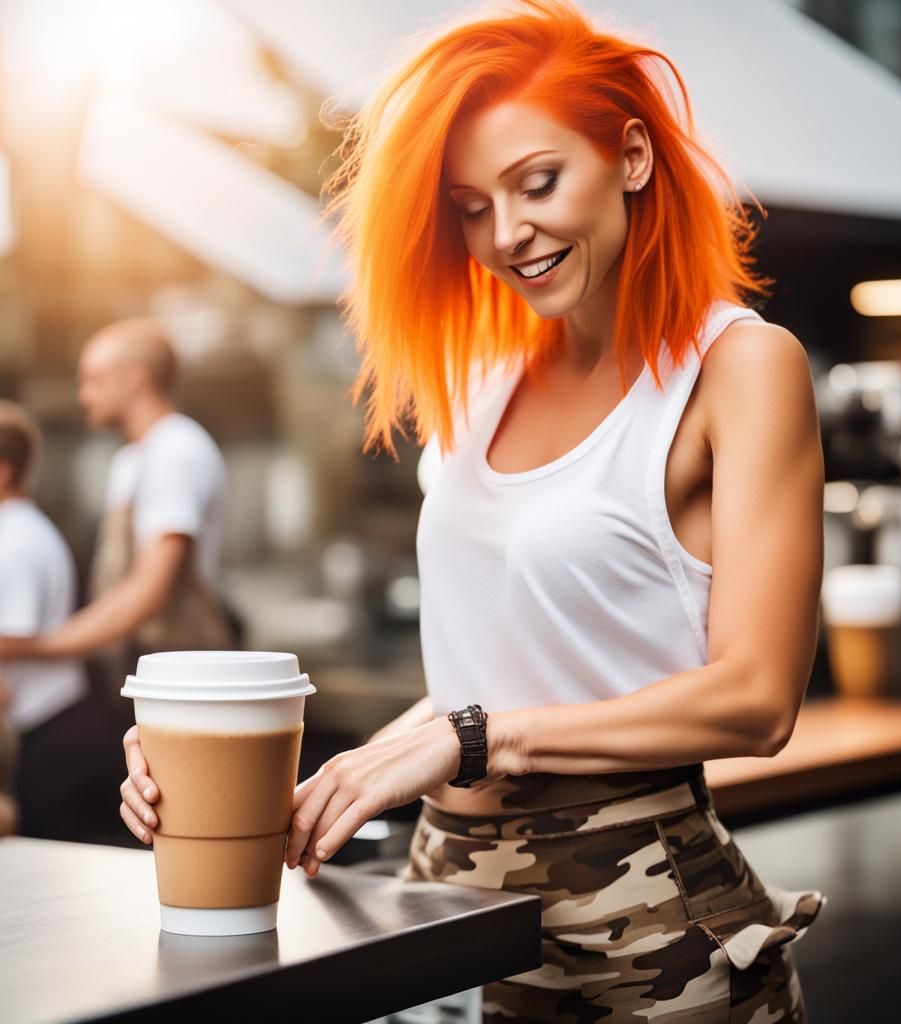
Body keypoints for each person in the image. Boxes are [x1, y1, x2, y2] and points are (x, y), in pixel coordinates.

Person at [119, 1, 827, 1019]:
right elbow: (484, 689)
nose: (508, 233)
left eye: (539, 181)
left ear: (628, 156)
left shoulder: (741, 367)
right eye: (470, 205)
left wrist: (468, 736)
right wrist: (297, 774)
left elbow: (756, 702)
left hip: (640, 927)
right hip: (443, 906)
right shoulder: (484, 381)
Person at [0, 319, 235, 732]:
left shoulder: (176, 450)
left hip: (183, 685)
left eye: (93, 380)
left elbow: (147, 593)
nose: (83, 396)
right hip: (142, 681)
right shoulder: (132, 460)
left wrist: (37, 646)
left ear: (135, 379)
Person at [0, 401, 104, 841]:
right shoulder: (22, 530)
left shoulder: (15, 540)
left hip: (55, 736)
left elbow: (9, 639)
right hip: (50, 727)